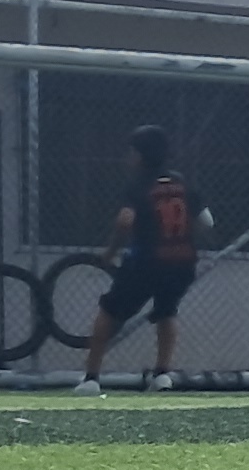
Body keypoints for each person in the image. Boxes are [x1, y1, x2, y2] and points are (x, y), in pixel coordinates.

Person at [75, 125, 205, 397]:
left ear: (140, 155)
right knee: (167, 311)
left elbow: (125, 221)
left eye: (131, 151)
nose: (128, 157)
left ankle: (91, 377)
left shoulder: (138, 185)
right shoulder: (182, 182)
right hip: (182, 263)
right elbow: (207, 221)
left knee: (109, 311)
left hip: (145, 262)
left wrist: (110, 252)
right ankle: (162, 374)